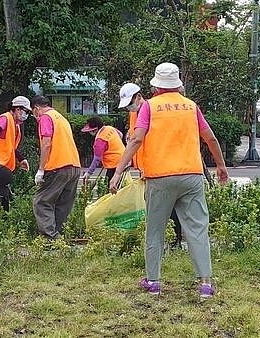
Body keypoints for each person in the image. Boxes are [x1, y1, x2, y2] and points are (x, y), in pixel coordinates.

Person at [109, 63, 229, 297]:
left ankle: (153, 282)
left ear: (155, 87)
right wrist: (221, 166)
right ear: (177, 85)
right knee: (197, 229)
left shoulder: (149, 108)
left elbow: (135, 141)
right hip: (191, 176)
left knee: (155, 230)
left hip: (160, 177)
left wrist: (118, 171)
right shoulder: (191, 107)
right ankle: (205, 283)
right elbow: (210, 138)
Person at [118, 82, 185, 249]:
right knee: (155, 208)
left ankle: (175, 239)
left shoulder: (153, 110)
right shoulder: (134, 114)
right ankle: (160, 241)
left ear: (139, 96)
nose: (130, 108)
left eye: (130, 104)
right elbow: (136, 138)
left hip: (161, 167)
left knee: (170, 207)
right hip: (147, 169)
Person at [31, 95, 81, 239]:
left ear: (36, 109)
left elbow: (46, 143)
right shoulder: (61, 117)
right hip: (74, 166)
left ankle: (50, 238)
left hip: (57, 166)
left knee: (42, 201)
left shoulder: (45, 117)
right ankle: (58, 236)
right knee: (63, 204)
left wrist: (41, 169)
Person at [0, 96, 31, 210]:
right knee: (0, 195)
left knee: (0, 194)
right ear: (17, 109)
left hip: (3, 165)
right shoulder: (5, 119)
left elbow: (11, 147)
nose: (26, 115)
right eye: (26, 111)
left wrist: (21, 159)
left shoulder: (16, 126)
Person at [80, 116, 125, 185]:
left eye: (90, 131)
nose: (89, 133)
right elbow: (120, 135)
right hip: (124, 158)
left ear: (95, 129)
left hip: (114, 163)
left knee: (110, 185)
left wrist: (89, 173)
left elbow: (97, 159)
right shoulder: (109, 128)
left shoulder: (100, 140)